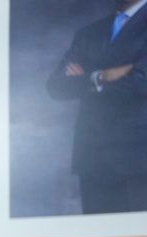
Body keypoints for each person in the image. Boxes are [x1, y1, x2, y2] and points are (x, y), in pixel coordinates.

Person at [47, 0, 147, 214]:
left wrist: (84, 80)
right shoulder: (89, 32)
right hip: (92, 158)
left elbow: (141, 82)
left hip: (139, 159)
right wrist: (100, 76)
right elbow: (55, 86)